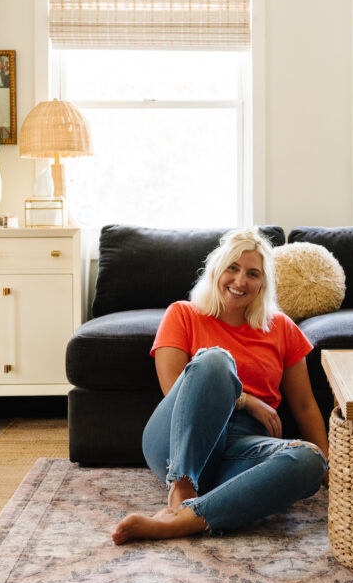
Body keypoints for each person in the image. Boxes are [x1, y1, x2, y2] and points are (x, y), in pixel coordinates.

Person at [112, 227, 329, 544]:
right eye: (233, 268)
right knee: (215, 361)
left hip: (243, 448)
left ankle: (185, 519)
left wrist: (326, 468)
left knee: (309, 458)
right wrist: (246, 400)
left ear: (263, 284)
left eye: (253, 274)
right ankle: (182, 487)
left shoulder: (281, 327)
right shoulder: (183, 314)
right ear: (216, 270)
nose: (241, 281)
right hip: (181, 440)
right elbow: (174, 386)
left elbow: (306, 405)